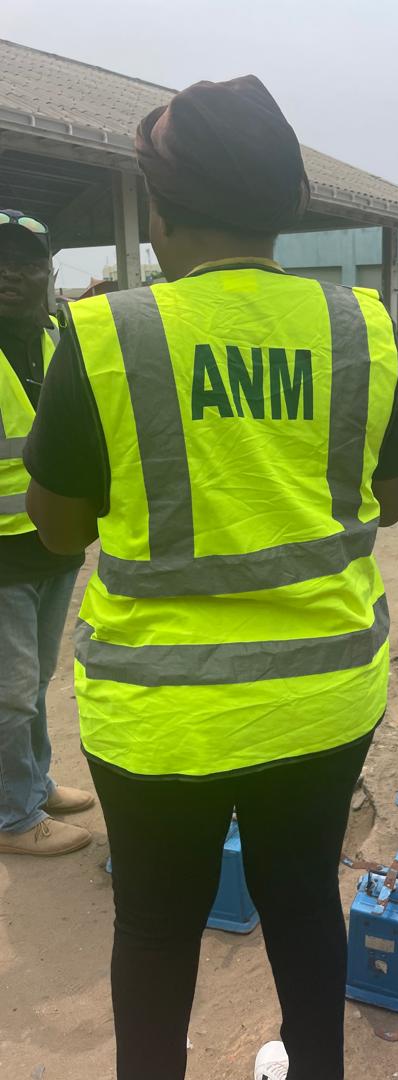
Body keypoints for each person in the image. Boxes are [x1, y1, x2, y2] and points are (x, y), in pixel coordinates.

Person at [24, 75, 398, 1080]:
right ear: (285, 200)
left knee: (157, 933)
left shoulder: (109, 332)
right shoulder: (363, 326)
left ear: (159, 208)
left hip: (160, 717)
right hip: (324, 697)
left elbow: (61, 525)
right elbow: (393, 497)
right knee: (301, 907)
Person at [0, 210, 94, 858]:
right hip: (1, 555)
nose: (9, 271)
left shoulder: (68, 333)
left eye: (25, 259)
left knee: (34, 683)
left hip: (54, 545)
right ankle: (12, 816)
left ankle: (33, 784)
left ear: (48, 271)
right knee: (9, 693)